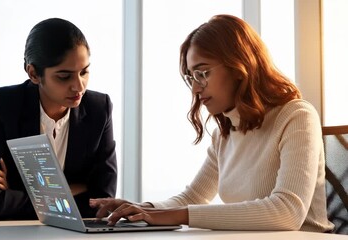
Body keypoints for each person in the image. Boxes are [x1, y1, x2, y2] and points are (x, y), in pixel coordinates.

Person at [90, 14, 334, 232]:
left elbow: (287, 212)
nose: (195, 88)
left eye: (203, 73)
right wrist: (141, 209)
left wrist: (172, 216)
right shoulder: (224, 134)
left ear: (240, 67)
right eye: (191, 77)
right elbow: (193, 197)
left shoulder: (296, 116)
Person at [0, 18, 118, 220]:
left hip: (61, 234)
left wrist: (14, 192)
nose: (79, 86)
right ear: (33, 73)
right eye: (64, 76)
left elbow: (101, 202)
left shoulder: (98, 109)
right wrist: (75, 189)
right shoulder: (3, 105)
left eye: (84, 72)